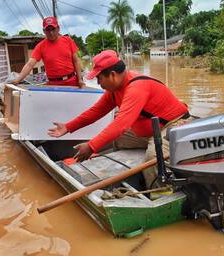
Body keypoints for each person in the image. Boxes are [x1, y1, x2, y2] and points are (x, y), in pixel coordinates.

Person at [48, 50, 190, 188]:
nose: (98, 83)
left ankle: (162, 193)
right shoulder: (115, 91)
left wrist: (91, 146)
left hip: (174, 125)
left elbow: (121, 123)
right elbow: (95, 112)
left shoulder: (136, 87)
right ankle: (121, 173)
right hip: (150, 131)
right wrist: (68, 127)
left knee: (153, 159)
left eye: (99, 78)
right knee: (118, 139)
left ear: (112, 75)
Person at [12, 16, 84, 88]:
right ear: (44, 31)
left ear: (58, 28)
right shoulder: (40, 46)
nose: (51, 33)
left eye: (53, 29)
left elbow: (76, 61)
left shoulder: (68, 41)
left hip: (72, 82)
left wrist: (80, 79)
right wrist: (18, 80)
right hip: (53, 85)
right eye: (48, 30)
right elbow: (30, 64)